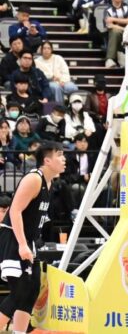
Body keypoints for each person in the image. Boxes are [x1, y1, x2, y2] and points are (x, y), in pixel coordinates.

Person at [0, 142, 65, 334]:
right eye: (59, 155)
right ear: (47, 160)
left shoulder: (49, 183)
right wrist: (22, 244)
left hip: (29, 241)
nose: (64, 159)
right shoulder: (34, 179)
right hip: (14, 237)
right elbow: (15, 211)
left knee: (31, 292)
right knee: (20, 292)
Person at [103, 0, 128, 68]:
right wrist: (124, 27)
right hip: (115, 33)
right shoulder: (108, 9)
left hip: (127, 32)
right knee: (114, 31)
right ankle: (109, 59)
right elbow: (109, 25)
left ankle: (123, 57)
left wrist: (114, 19)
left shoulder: (126, 7)